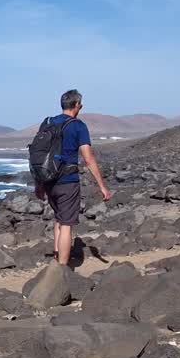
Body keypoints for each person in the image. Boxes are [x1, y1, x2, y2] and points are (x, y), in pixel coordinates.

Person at [34, 89, 112, 266]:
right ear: (77, 105)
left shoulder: (47, 123)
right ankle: (61, 269)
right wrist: (102, 185)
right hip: (67, 181)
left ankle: (56, 256)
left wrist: (38, 184)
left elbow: (39, 154)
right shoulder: (78, 126)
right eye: (80, 105)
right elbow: (88, 158)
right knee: (67, 224)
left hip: (48, 179)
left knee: (58, 219)